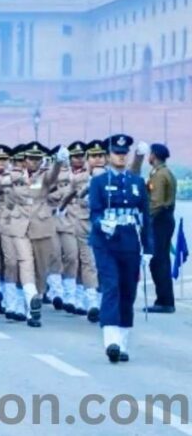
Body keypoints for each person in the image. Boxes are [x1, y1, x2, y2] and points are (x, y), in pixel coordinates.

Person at [88, 134, 152, 363]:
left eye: (124, 153)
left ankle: (123, 343)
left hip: (130, 242)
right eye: (117, 153)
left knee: (128, 291)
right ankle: (111, 341)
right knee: (111, 286)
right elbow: (94, 212)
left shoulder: (136, 183)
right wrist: (100, 223)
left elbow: (145, 216)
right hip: (106, 242)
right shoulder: (98, 182)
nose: (121, 157)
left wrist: (148, 248)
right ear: (108, 156)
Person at [145, 143, 177, 313]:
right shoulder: (165, 172)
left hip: (159, 220)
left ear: (154, 155)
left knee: (158, 261)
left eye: (150, 153)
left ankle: (164, 301)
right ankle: (166, 300)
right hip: (165, 218)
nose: (148, 156)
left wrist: (145, 219)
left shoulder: (159, 175)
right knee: (162, 260)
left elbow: (156, 203)